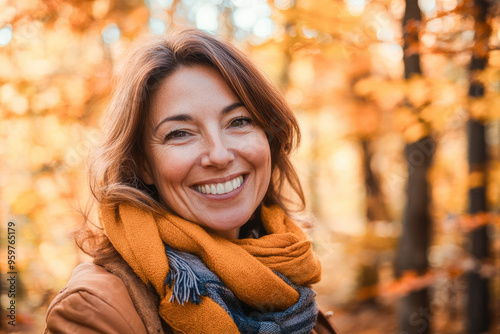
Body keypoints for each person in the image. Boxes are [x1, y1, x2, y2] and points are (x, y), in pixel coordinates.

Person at [44, 28, 337, 334]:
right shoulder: (95, 310)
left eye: (239, 121)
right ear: (142, 164)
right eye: (180, 133)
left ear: (267, 137)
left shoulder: (288, 274)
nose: (220, 155)